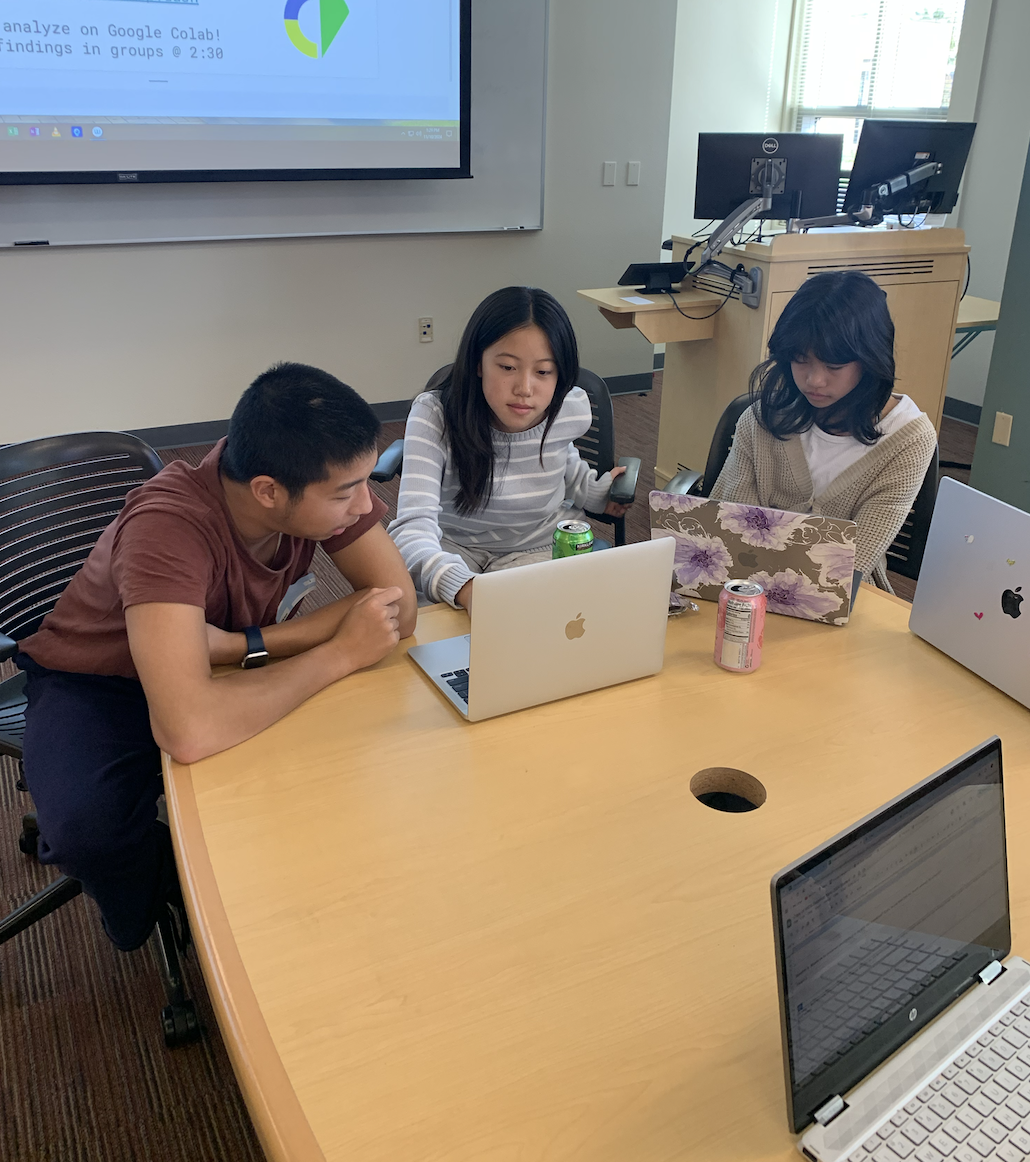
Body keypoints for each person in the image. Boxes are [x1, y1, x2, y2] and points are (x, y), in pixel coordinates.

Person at [15, 362, 417, 952]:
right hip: (101, 680)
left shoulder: (302, 480)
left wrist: (242, 645)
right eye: (345, 492)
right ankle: (167, 899)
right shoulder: (168, 525)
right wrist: (338, 654)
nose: (364, 505)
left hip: (229, 657)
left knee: (335, 772)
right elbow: (190, 729)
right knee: (87, 832)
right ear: (267, 491)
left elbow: (398, 609)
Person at [388, 285, 628, 611]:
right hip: (454, 550)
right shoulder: (435, 414)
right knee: (415, 630)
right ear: (477, 363)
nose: (525, 389)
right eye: (507, 367)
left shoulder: (568, 408)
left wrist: (600, 495)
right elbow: (413, 528)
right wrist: (464, 586)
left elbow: (562, 463)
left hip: (540, 549)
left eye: (543, 371)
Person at [709, 269, 936, 590]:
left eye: (833, 366)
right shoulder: (760, 418)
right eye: (800, 360)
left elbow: (853, 561)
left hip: (841, 594)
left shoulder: (909, 439)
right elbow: (731, 528)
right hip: (746, 581)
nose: (814, 380)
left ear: (870, 360)